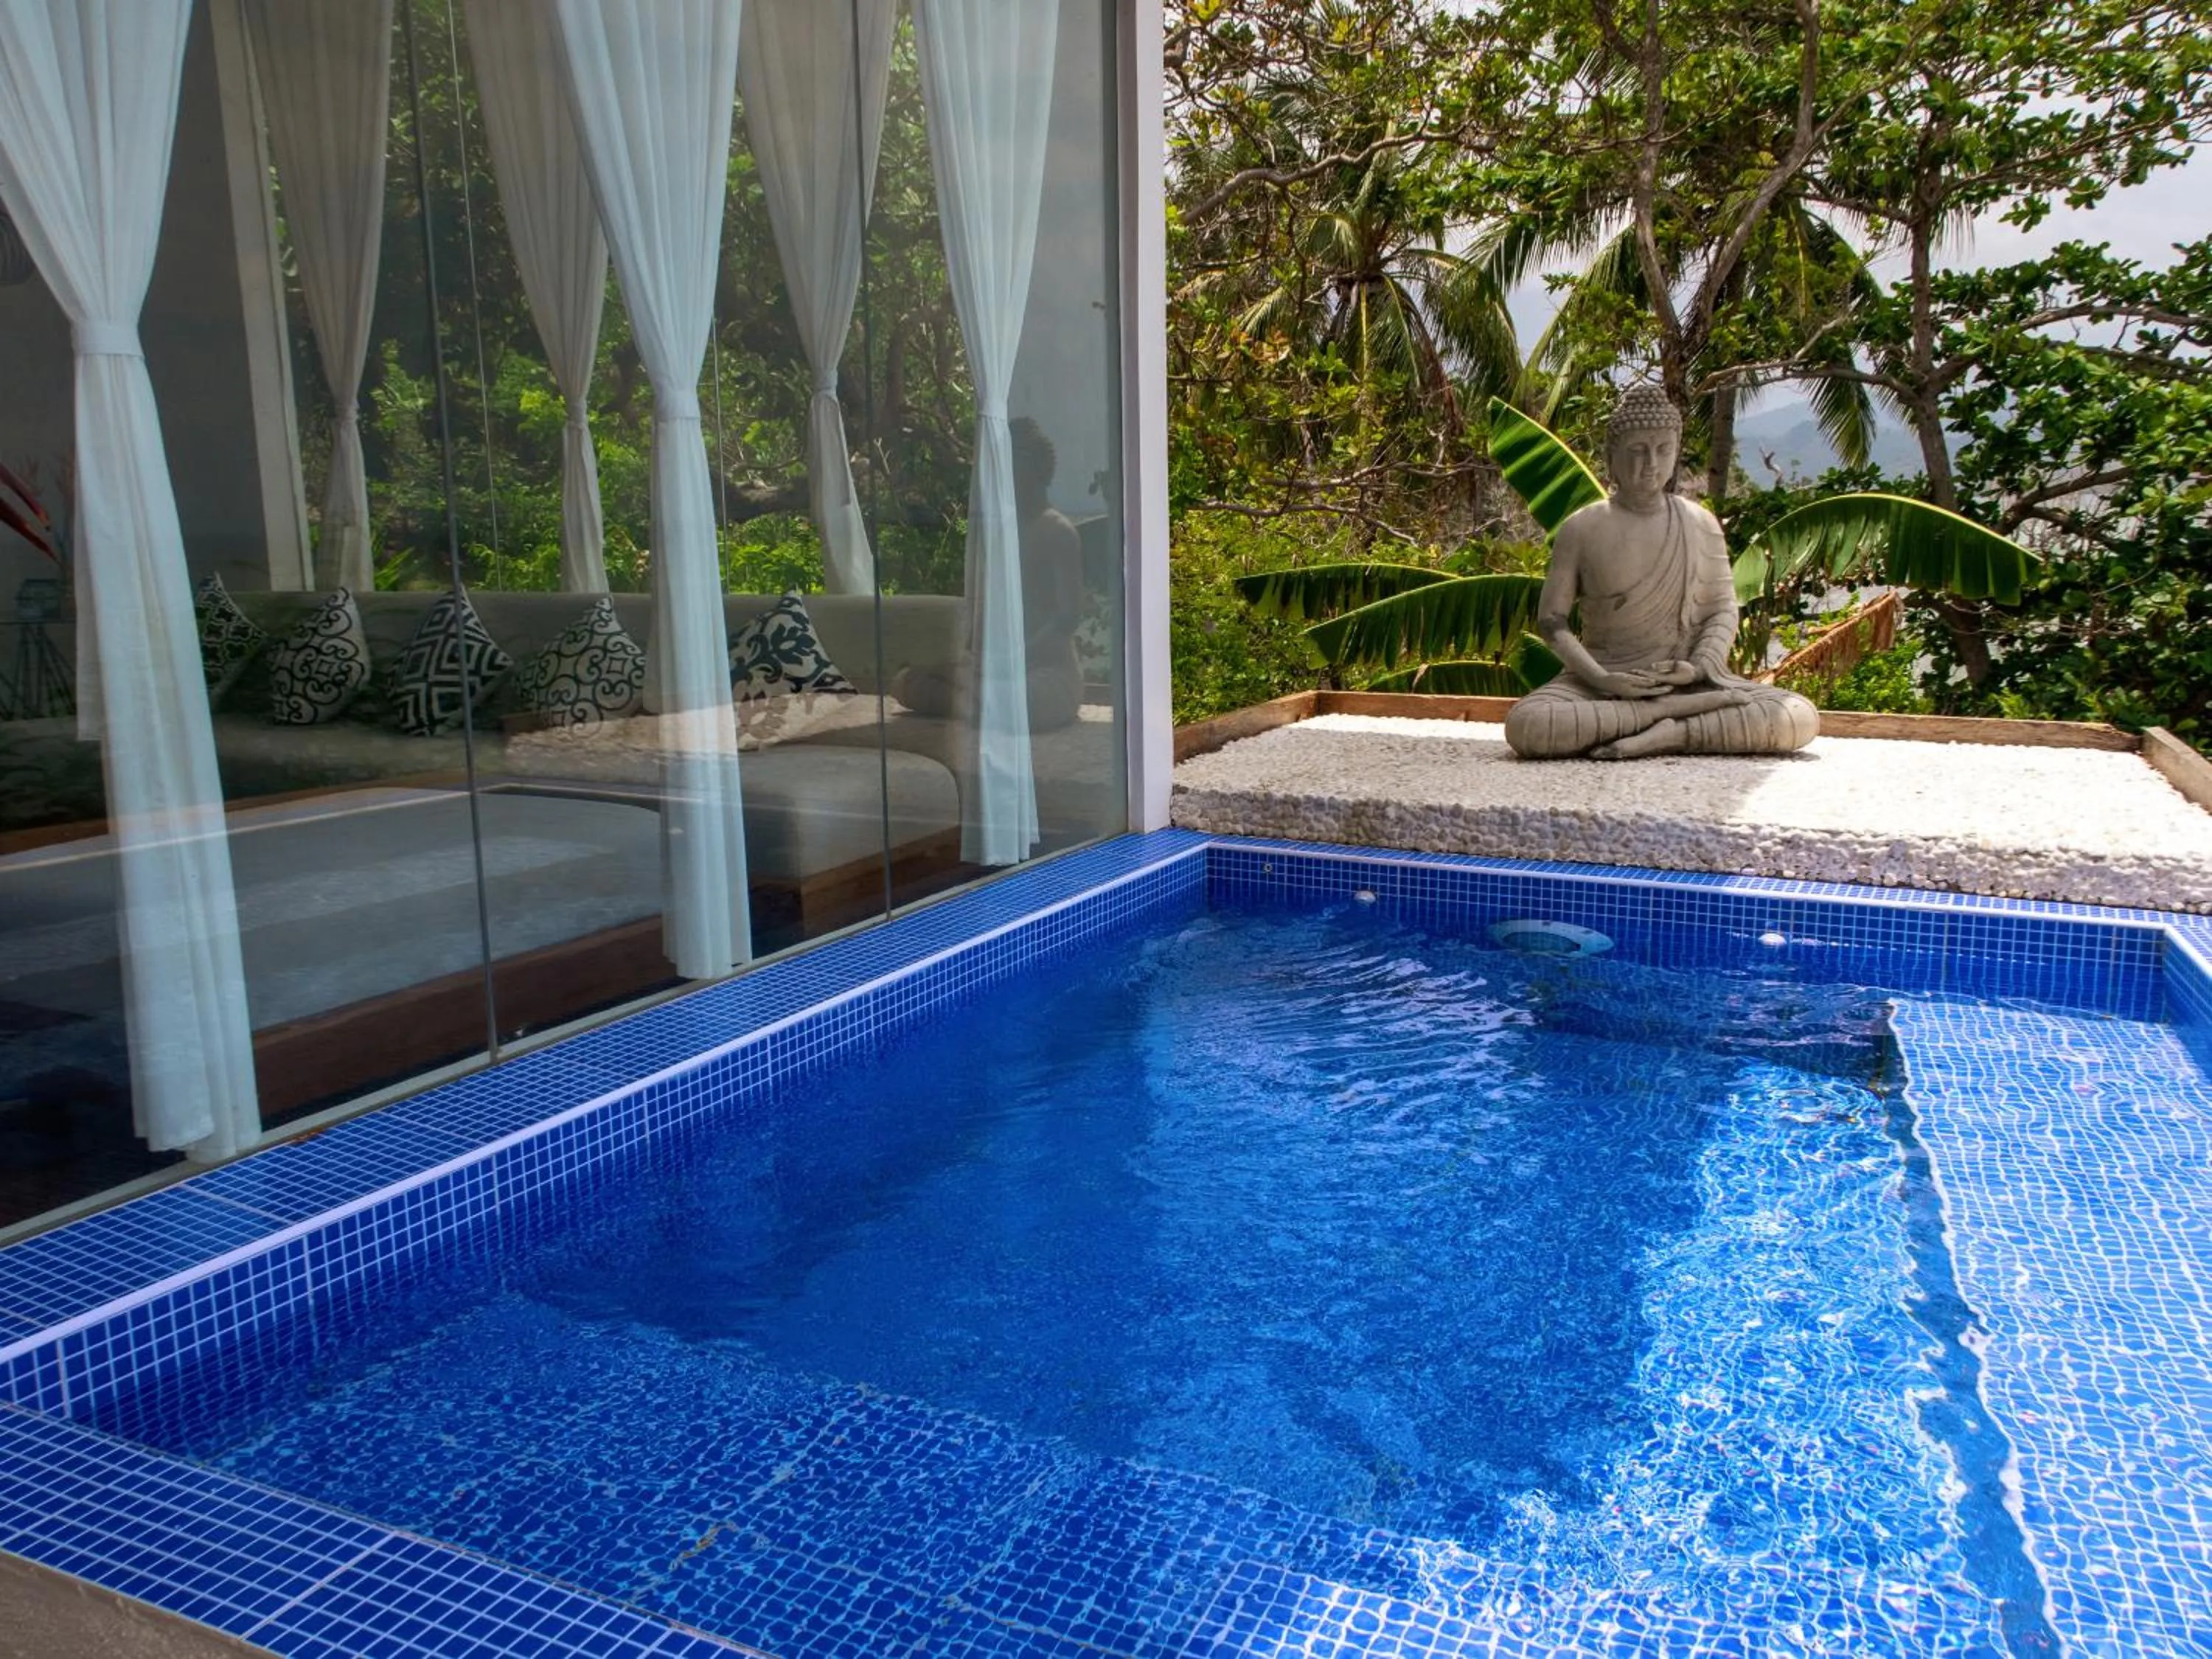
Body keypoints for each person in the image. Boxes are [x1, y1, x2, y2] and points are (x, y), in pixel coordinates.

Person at [1502, 386, 1818, 760]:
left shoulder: (1699, 523)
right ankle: (1660, 716)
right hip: (1603, 683)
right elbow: (1553, 622)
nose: (1650, 463)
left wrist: (1697, 667)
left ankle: (1670, 735)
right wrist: (1601, 678)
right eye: (1637, 451)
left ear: (1675, 454)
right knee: (1530, 726)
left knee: (1796, 716)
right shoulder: (1582, 528)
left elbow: (1721, 610)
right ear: (1611, 458)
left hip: (1689, 684)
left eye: (1663, 450)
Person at [894, 416, 1085, 731]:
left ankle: (973, 697)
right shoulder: (1000, 533)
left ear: (1038, 469)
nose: (1003, 477)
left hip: (1045, 670)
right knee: (905, 684)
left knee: (1023, 705)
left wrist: (1014, 658)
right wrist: (978, 660)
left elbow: (1068, 618)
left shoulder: (1058, 531)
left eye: (1012, 466)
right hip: (992, 672)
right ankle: (975, 695)